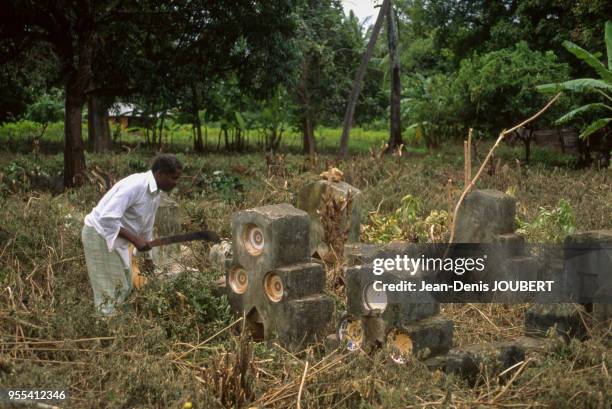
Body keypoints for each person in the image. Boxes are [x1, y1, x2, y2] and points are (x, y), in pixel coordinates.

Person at [81, 154, 182, 315]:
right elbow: (107, 217)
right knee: (110, 292)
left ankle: (122, 332)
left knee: (126, 287)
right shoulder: (136, 186)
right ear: (160, 174)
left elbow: (146, 228)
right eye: (173, 178)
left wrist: (149, 259)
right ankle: (106, 336)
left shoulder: (155, 195)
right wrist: (135, 240)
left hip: (117, 240)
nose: (176, 183)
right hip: (99, 235)